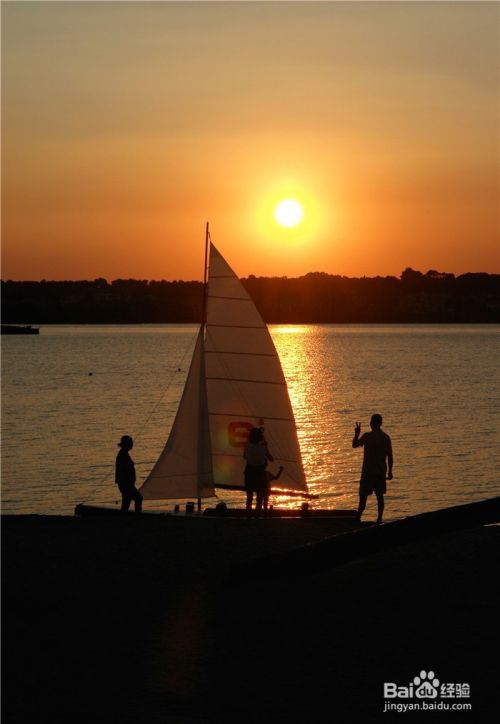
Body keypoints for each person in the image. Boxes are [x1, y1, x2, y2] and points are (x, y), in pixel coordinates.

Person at [352, 414, 393, 524]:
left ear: (372, 423)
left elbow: (354, 445)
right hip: (380, 472)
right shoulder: (386, 438)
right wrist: (390, 471)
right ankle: (379, 519)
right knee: (380, 497)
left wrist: (357, 434)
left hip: (368, 472)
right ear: (381, 424)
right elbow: (390, 456)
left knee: (363, 496)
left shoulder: (367, 436)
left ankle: (358, 518)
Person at [243, 427, 274, 512]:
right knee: (259, 497)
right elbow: (271, 459)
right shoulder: (263, 448)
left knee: (249, 497)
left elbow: (245, 456)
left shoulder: (247, 446)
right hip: (259, 473)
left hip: (249, 472)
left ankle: (248, 515)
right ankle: (258, 515)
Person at [115, 435, 143, 513]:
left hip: (127, 484)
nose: (132, 444)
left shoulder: (124, 454)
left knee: (126, 503)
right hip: (126, 484)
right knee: (138, 498)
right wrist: (127, 483)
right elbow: (123, 471)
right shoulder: (123, 455)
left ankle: (125, 519)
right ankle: (136, 518)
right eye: (131, 443)